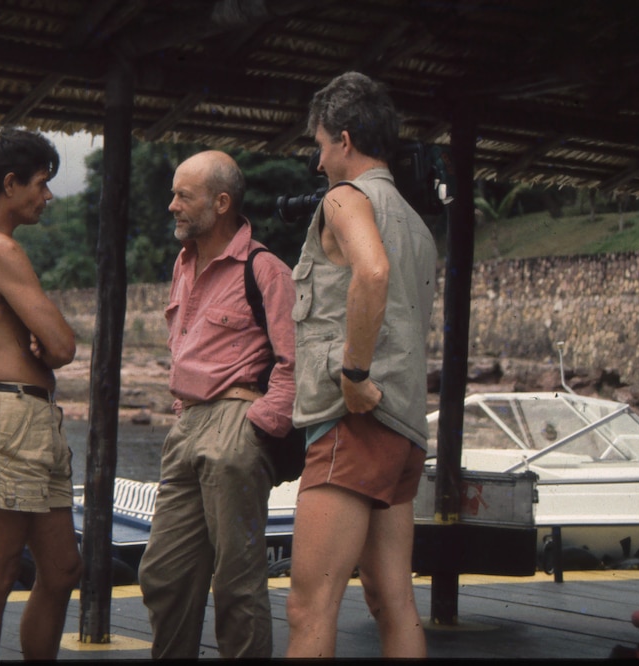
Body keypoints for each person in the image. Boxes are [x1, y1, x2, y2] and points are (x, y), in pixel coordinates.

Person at [284, 71, 436, 658]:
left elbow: (371, 272)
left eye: (320, 146)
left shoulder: (345, 199)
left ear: (344, 140)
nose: (318, 162)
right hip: (402, 431)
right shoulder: (418, 225)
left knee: (308, 608)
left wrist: (351, 377)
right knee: (392, 603)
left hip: (354, 425)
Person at [137, 150, 296, 659]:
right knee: (163, 574)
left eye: (184, 195)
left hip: (235, 423)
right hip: (187, 424)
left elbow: (298, 361)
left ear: (221, 202)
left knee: (237, 583)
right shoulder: (185, 264)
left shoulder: (265, 268)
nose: (172, 206)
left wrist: (258, 426)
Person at [0, 127, 81, 661]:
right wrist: (46, 345)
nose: (47, 196)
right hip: (8, 418)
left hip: (27, 416)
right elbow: (64, 345)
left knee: (63, 568)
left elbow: (51, 345)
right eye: (41, 185)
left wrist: (44, 346)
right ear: (10, 183)